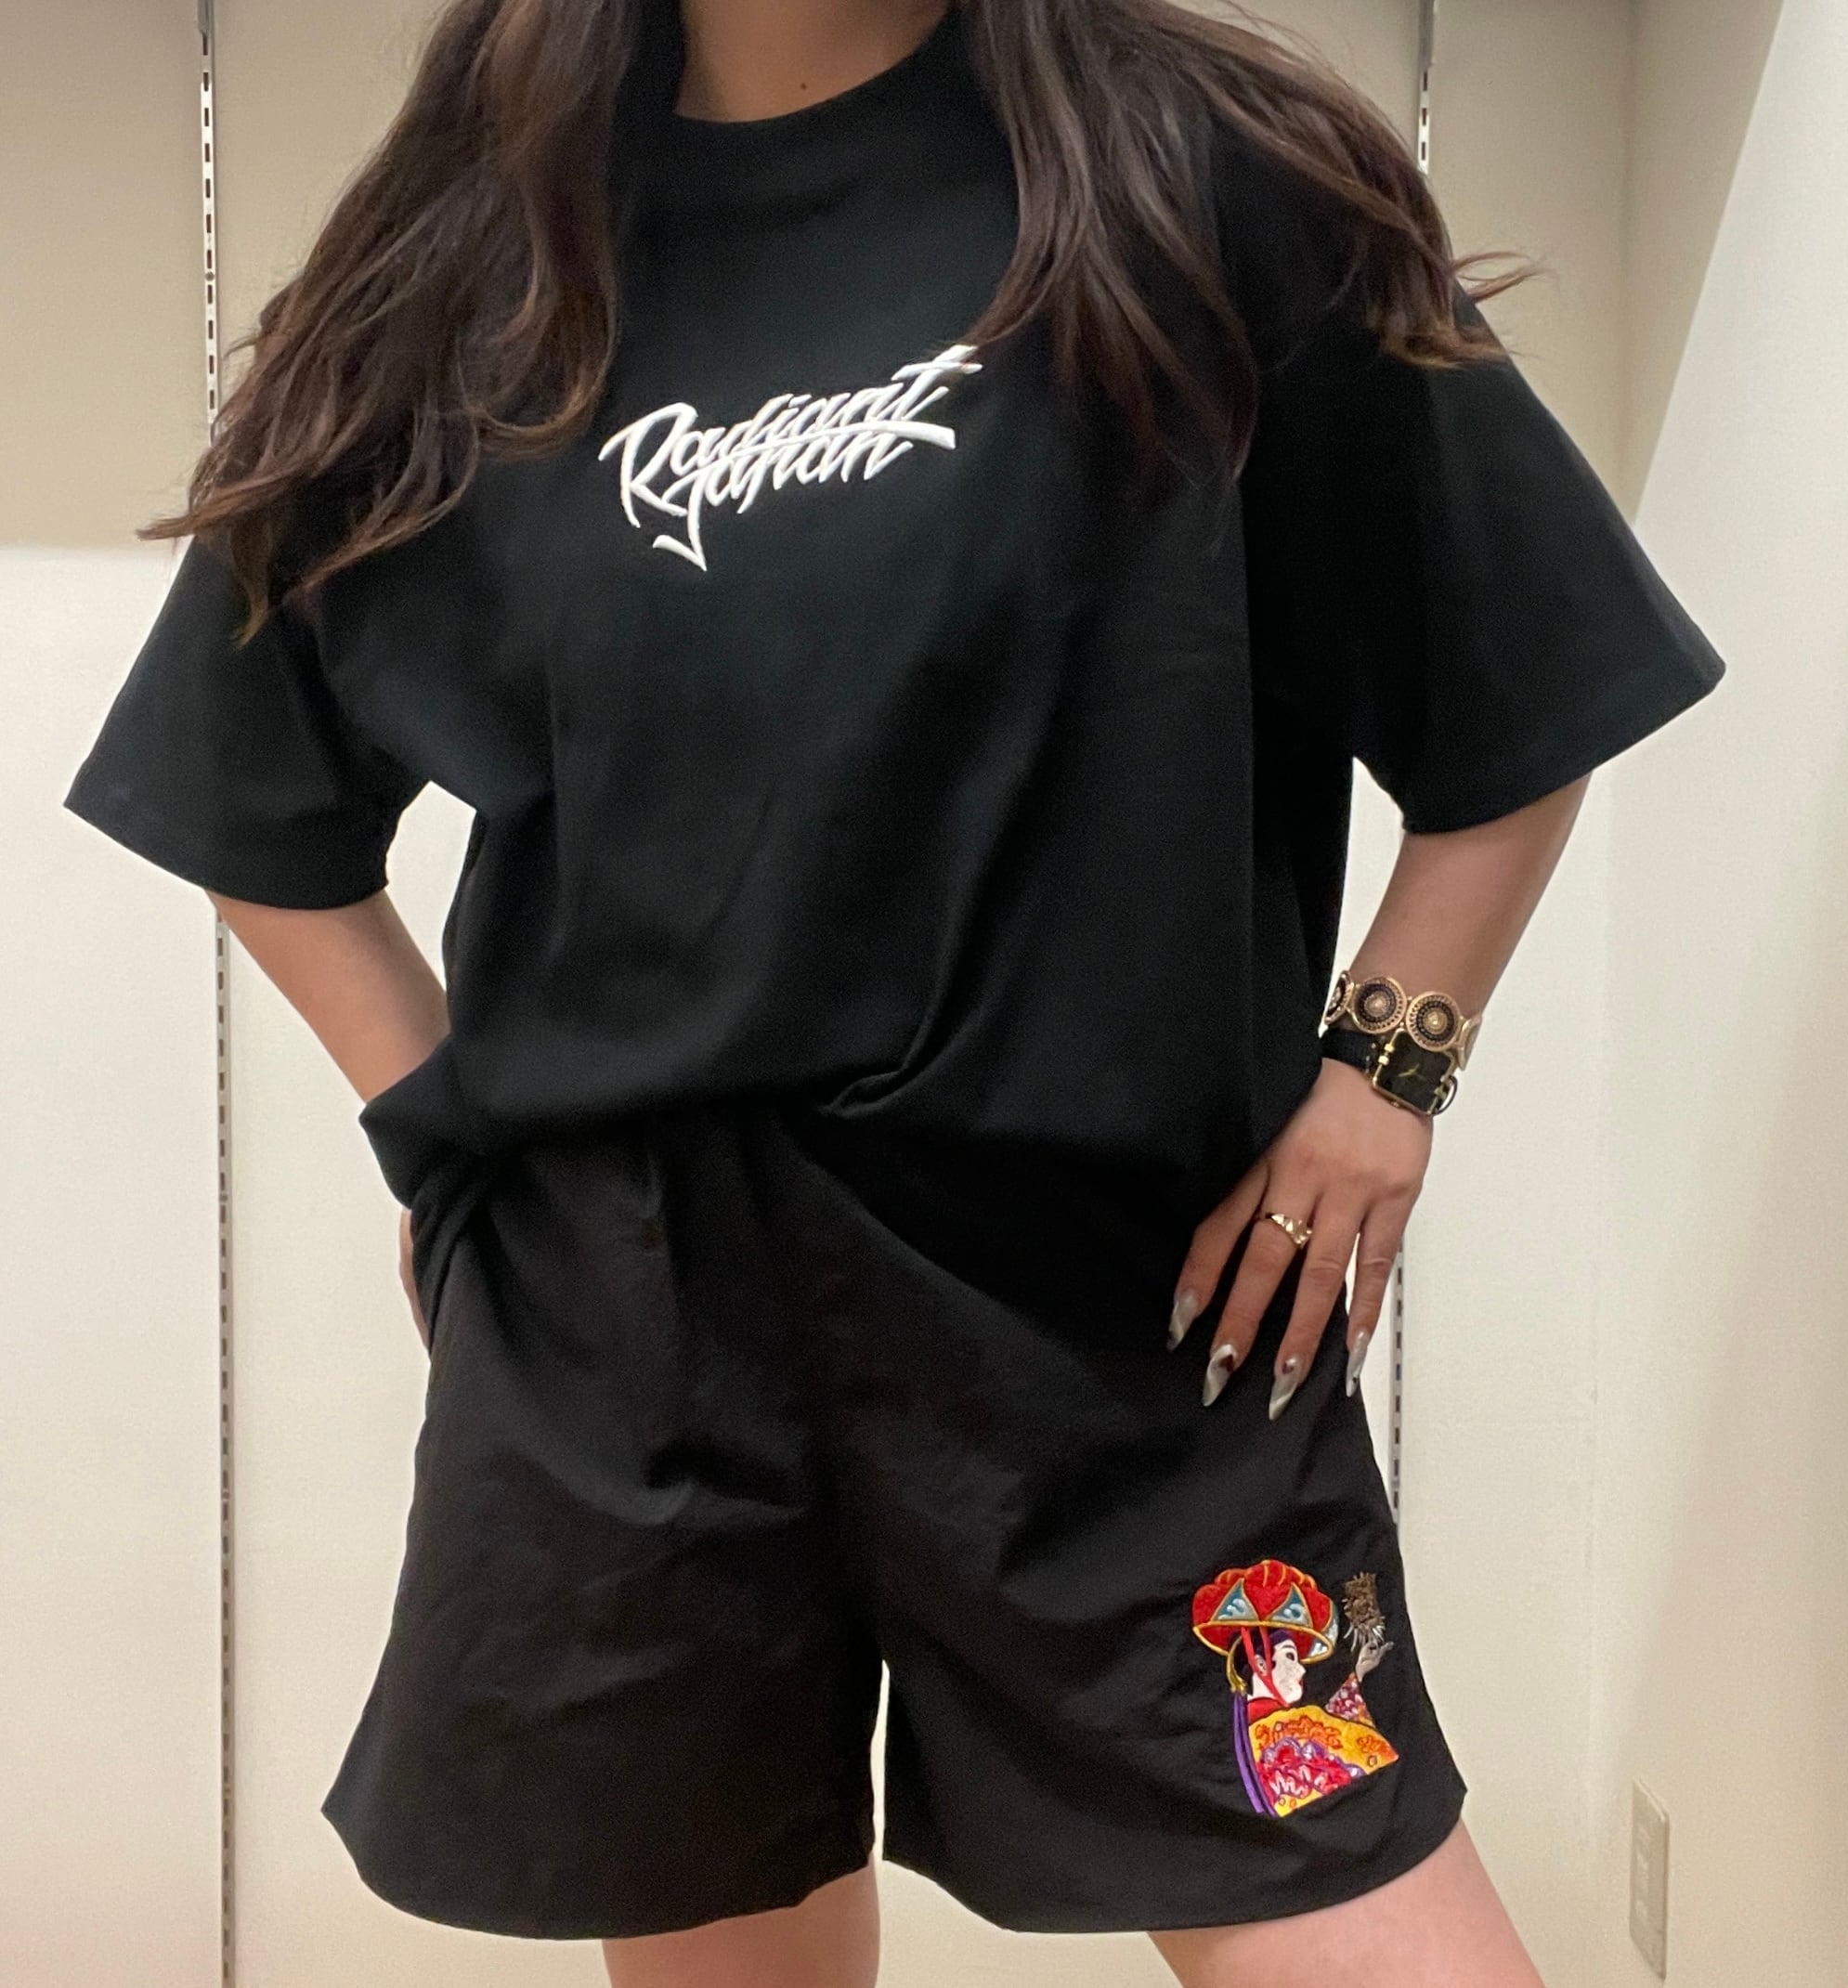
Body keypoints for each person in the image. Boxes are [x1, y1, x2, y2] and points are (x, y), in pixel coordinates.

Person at [60, 1, 1725, 1982]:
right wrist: (440, 1139)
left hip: (1130, 1334)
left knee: (1347, 1889)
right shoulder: (488, 248)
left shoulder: (1196, 178)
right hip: (634, 1341)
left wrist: (1386, 1073)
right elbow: (248, 781)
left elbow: (1520, 663)